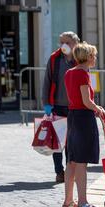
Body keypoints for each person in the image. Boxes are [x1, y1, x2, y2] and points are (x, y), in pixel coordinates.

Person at [64, 42, 105, 207]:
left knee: (72, 161)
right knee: (81, 162)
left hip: (73, 116)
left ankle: (68, 200)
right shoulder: (83, 73)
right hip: (83, 118)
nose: (95, 58)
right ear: (88, 57)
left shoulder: (69, 72)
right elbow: (86, 101)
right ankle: (82, 201)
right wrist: (99, 109)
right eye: (93, 55)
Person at [42, 31, 80, 183]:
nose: (64, 45)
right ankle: (59, 172)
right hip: (57, 106)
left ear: (76, 43)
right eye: (62, 42)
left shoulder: (80, 59)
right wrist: (46, 104)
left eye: (67, 42)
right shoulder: (54, 59)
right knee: (57, 143)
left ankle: (70, 170)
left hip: (74, 107)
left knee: (72, 141)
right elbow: (47, 81)